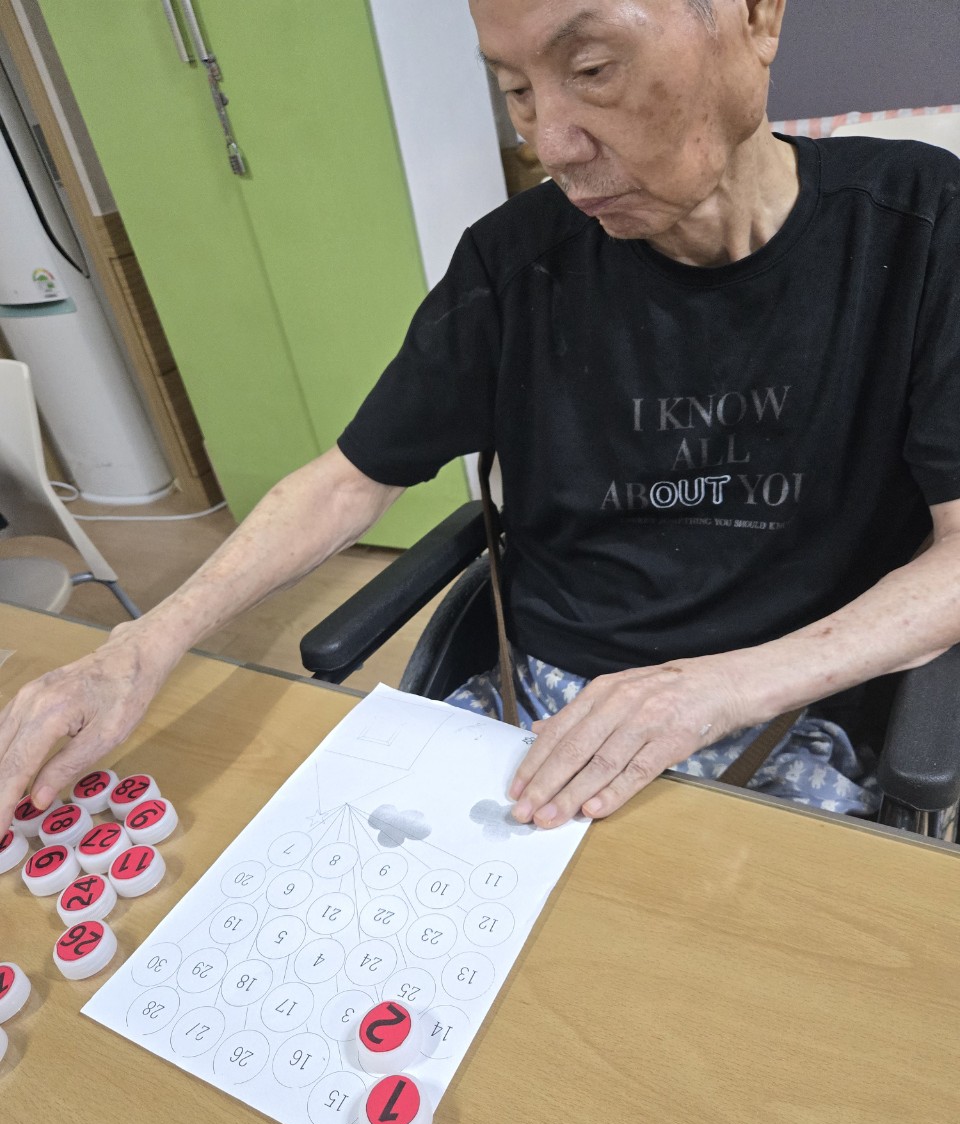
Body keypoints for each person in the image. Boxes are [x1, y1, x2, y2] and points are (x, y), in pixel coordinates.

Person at [1, 0, 958, 834]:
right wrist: (142, 644)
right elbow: (348, 478)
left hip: (789, 708)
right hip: (539, 701)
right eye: (517, 92)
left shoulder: (923, 225)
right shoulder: (513, 263)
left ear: (756, 15)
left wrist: (716, 689)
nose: (552, 145)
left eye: (592, 69)